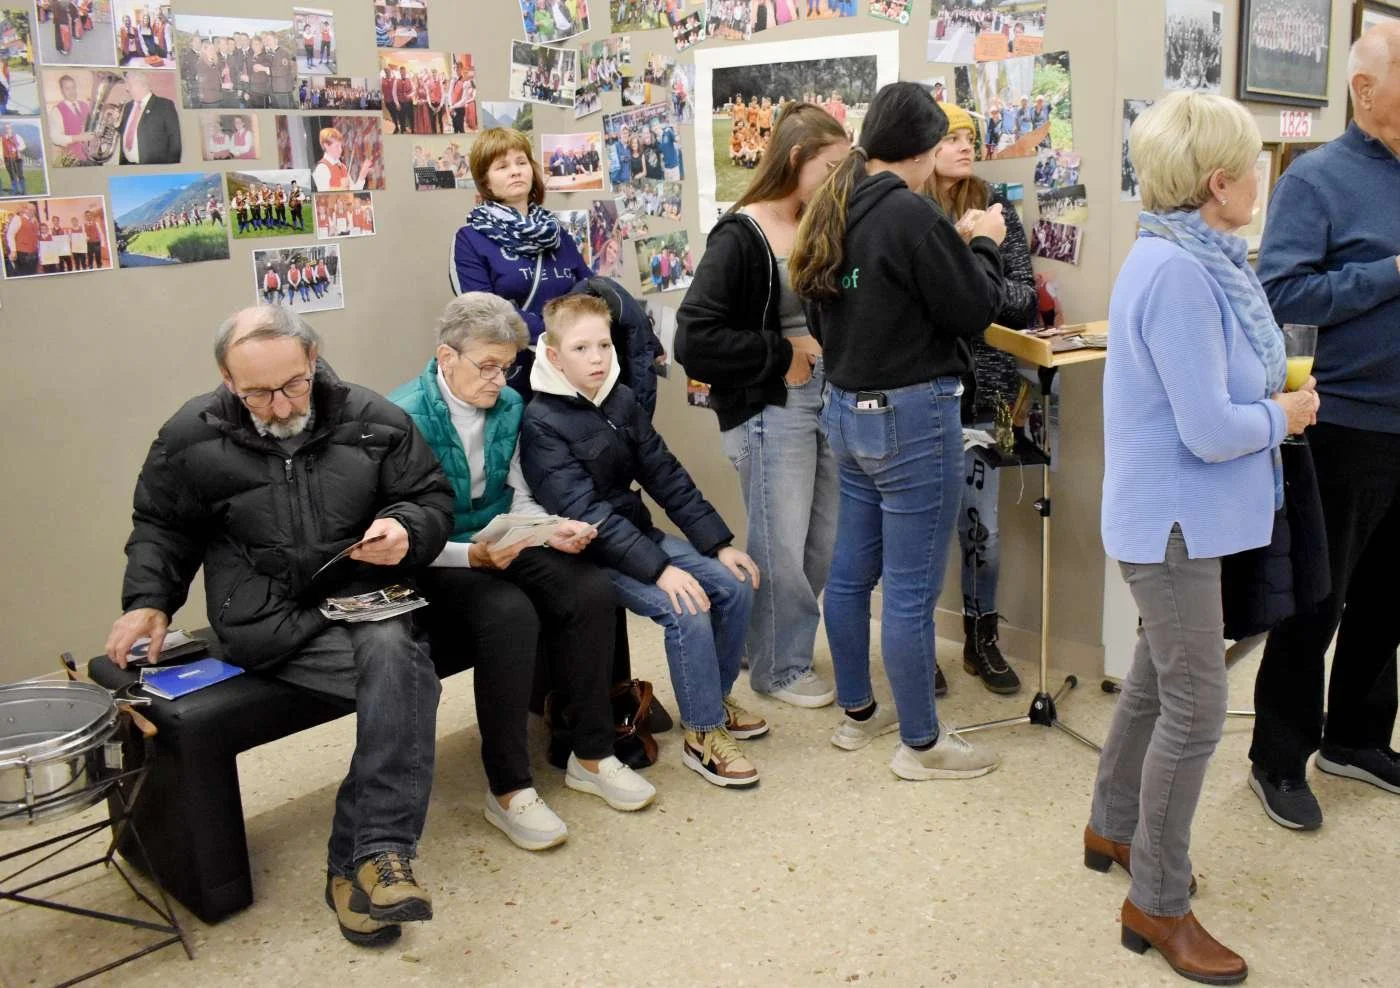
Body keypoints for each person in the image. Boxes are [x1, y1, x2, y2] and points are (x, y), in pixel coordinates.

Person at [104, 306, 455, 947]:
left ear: (313, 359)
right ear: (226, 378)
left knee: (397, 659)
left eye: (293, 384)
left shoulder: (373, 418)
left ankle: (372, 856)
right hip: (264, 620)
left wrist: (406, 527)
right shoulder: (189, 435)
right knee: (409, 684)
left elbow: (429, 496)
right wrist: (149, 600)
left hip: (356, 595)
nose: (279, 405)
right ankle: (360, 864)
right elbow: (162, 525)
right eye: (257, 393)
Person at [1088, 91, 1318, 985]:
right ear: (1219, 183)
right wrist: (1283, 416)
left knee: (1158, 681)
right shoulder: (1183, 274)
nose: (1262, 179)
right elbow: (1210, 429)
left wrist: (1270, 409)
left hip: (1182, 518)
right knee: (1195, 708)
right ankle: (1157, 898)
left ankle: (1112, 825)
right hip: (1174, 525)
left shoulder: (1191, 257)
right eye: (1253, 165)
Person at [788, 82, 1007, 779]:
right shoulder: (911, 214)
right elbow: (974, 309)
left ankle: (859, 713)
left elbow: (828, 316)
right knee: (911, 593)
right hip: (912, 419)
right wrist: (985, 244)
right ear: (924, 148)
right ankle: (921, 744)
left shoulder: (835, 205)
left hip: (846, 409)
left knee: (851, 575)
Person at [391, 294, 653, 851]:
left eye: (507, 366)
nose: (500, 380)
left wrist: (551, 529)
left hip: (500, 536)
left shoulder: (509, 403)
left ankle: (592, 754)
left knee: (590, 589)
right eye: (487, 366)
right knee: (508, 614)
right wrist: (471, 557)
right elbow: (401, 534)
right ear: (446, 356)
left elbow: (517, 494)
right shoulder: (402, 417)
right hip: (437, 556)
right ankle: (509, 789)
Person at [1247, 22, 1400, 830]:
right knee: (1318, 601)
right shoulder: (1316, 181)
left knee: (1388, 597)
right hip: (1343, 424)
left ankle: (1357, 739)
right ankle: (1279, 756)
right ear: (1365, 89)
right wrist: (1391, 273)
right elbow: (1283, 296)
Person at [522, 294, 765, 788]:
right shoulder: (540, 422)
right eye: (581, 348)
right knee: (686, 607)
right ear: (553, 355)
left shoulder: (620, 399)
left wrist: (717, 544)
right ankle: (702, 736)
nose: (596, 358)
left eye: (604, 345)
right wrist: (661, 570)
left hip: (638, 537)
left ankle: (712, 702)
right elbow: (586, 513)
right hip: (590, 553)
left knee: (735, 583)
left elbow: (664, 474)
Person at [675, 104, 849, 710]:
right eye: (830, 167)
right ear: (797, 159)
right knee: (780, 544)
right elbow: (694, 339)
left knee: (823, 541)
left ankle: (762, 639)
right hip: (771, 406)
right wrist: (780, 354)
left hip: (826, 398)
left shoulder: (815, 221)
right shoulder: (740, 235)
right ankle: (778, 667)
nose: (838, 180)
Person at [924, 102, 1038, 696]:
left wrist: (977, 258)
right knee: (919, 535)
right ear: (925, 147)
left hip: (987, 399)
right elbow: (920, 308)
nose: (965, 146)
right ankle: (917, 647)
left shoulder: (996, 209)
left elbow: (1021, 302)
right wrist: (970, 259)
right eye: (951, 137)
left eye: (970, 136)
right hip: (922, 396)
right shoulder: (910, 215)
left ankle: (980, 640)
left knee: (982, 532)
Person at [450, 128, 593, 401]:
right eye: (502, 166)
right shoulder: (470, 239)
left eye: (521, 162)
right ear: (486, 181)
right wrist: (558, 334)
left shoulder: (556, 232)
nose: (515, 171)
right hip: (514, 374)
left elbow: (589, 288)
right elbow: (485, 312)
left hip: (572, 367)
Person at [117, 71, 182, 165]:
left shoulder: (164, 105)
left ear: (141, 84)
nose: (127, 89)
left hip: (153, 167)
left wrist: (170, 168)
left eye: (129, 85)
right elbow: (128, 132)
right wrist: (117, 123)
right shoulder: (128, 106)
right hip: (127, 165)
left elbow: (175, 142)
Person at [313, 126, 371, 191]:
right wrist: (341, 188)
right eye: (336, 146)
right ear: (326, 146)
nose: (340, 149)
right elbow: (323, 193)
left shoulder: (343, 167)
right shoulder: (322, 167)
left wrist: (362, 176)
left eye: (341, 146)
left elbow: (354, 191)